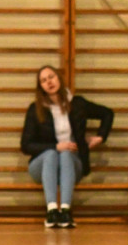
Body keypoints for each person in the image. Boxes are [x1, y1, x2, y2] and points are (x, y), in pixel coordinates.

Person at [21, 65, 113, 229]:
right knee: (52, 153)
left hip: (72, 164)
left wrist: (100, 137)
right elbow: (26, 145)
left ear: (59, 78)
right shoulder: (35, 109)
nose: (49, 82)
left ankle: (65, 211)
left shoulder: (77, 104)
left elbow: (107, 113)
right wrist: (56, 146)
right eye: (43, 80)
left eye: (51, 77)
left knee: (65, 155)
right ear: (40, 87)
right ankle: (51, 211)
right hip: (41, 166)